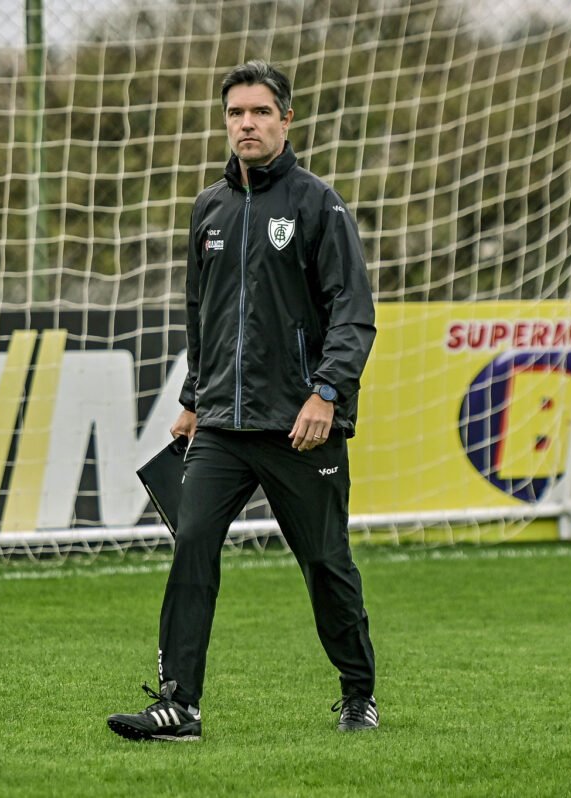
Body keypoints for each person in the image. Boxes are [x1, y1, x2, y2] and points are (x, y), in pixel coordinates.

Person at [107, 60, 379, 740]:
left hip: (299, 428)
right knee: (192, 542)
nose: (247, 124)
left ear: (287, 119)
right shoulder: (210, 209)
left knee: (324, 562)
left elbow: (354, 314)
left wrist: (326, 393)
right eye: (236, 113)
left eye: (260, 112)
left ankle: (357, 693)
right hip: (223, 426)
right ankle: (179, 703)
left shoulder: (319, 205)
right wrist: (194, 397)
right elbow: (204, 315)